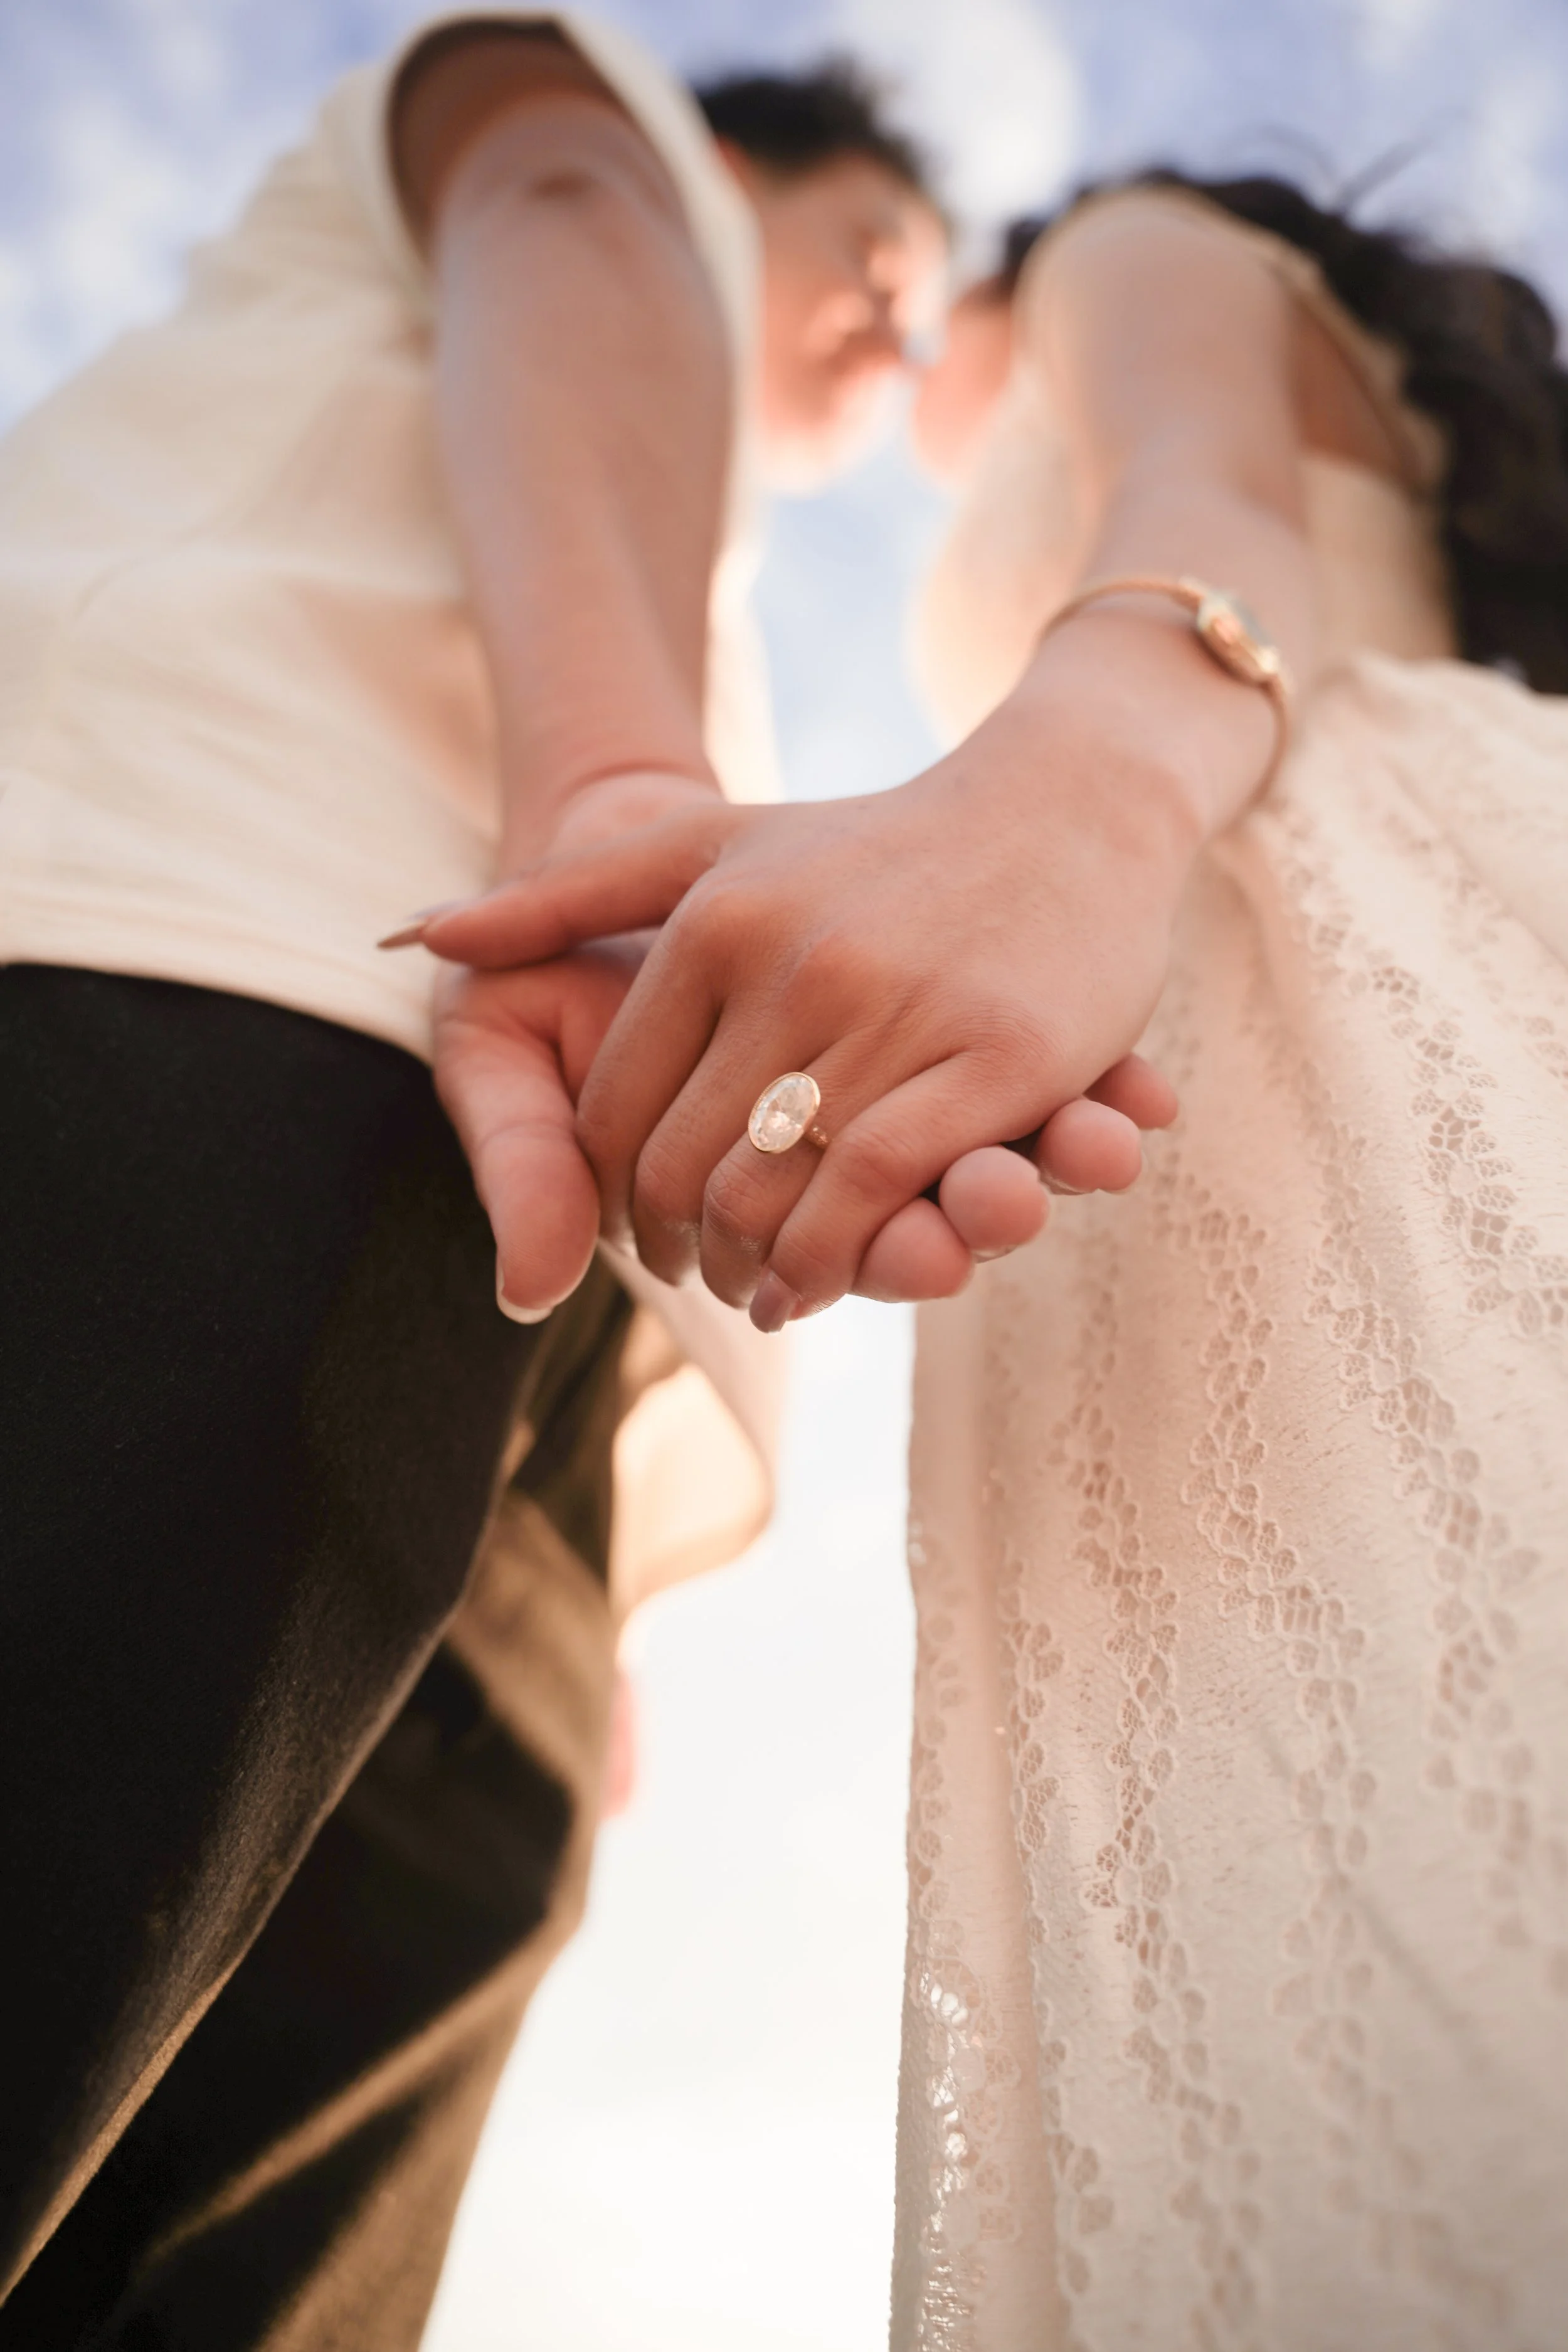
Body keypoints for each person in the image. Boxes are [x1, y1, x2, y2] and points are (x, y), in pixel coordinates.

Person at [423, 171, 1568, 2345]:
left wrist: (1068, 806)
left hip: (1299, 929)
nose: (920, 339)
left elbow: (1206, 486)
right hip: (1173, 976)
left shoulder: (1121, 251)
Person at [0, 21, 960, 2343]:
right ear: (739, 162)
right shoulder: (566, 105)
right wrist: (616, 785)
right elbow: (564, 212)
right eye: (878, 258)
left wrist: (580, 1590)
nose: (897, 336)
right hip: (195, 974)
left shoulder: (665, 523)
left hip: (506, 1360)